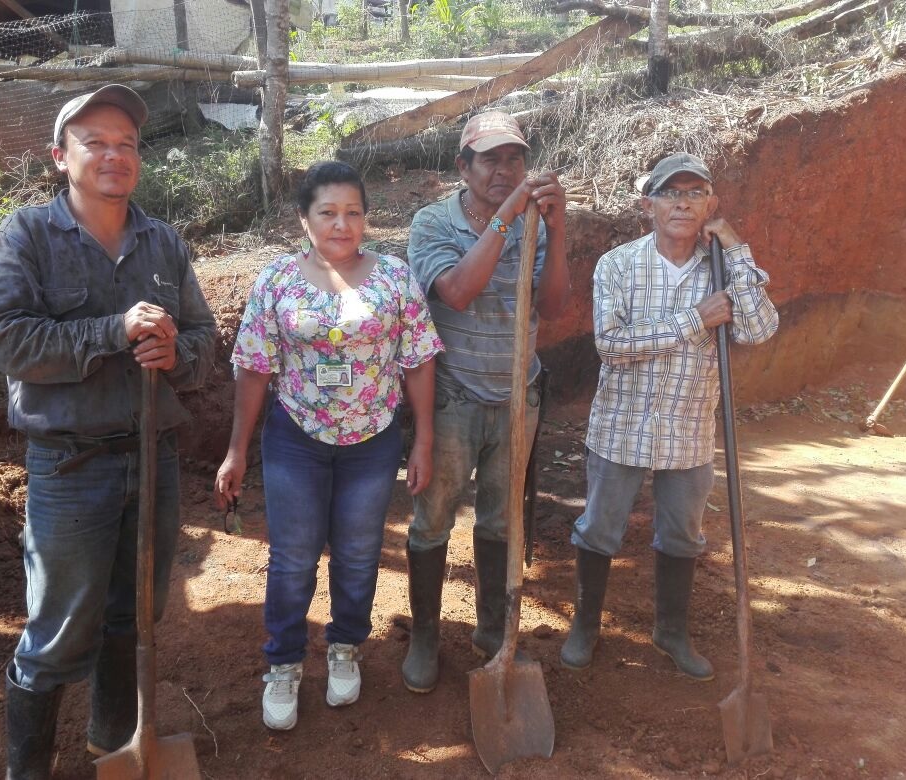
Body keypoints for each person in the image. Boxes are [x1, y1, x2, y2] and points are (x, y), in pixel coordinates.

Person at [0, 84, 217, 778]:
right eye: (95, 142)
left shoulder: (163, 242)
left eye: (127, 144)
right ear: (61, 156)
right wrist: (113, 331)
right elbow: (6, 341)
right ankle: (28, 769)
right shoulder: (25, 236)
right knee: (58, 630)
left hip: (153, 458)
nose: (115, 155)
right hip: (69, 465)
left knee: (135, 614)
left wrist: (178, 354)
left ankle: (112, 745)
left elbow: (204, 337)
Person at [214, 161, 443, 730]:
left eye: (354, 212)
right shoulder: (276, 281)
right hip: (296, 438)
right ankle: (284, 663)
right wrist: (237, 450)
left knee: (360, 552)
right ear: (304, 218)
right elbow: (253, 368)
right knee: (292, 559)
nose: (342, 224)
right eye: (328, 212)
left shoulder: (394, 278)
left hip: (373, 440)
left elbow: (417, 362)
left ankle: (345, 647)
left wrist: (424, 441)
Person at [561, 153, 779, 679]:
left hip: (690, 429)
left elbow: (758, 329)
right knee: (600, 530)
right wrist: (693, 321)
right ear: (648, 205)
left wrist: (736, 249)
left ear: (711, 204)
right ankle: (585, 625)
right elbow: (611, 345)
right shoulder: (617, 265)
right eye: (669, 193)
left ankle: (671, 632)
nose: (682, 203)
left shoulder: (722, 267)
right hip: (620, 427)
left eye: (694, 193)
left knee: (682, 534)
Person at [401, 111, 570, 693]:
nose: (504, 170)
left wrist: (558, 225)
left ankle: (492, 628)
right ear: (463, 166)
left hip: (517, 392)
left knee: (501, 518)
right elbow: (457, 291)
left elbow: (553, 306)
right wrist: (507, 217)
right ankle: (425, 634)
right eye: (490, 159)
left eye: (514, 159)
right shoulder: (432, 223)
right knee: (435, 515)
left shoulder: (535, 225)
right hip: (452, 395)